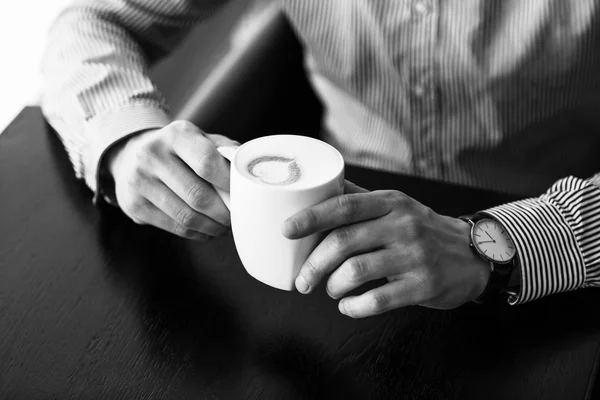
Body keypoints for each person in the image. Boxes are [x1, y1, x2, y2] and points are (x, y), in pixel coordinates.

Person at [41, 0, 600, 318]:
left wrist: (506, 244)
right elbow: (90, 21)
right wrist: (126, 136)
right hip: (326, 272)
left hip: (555, 284)